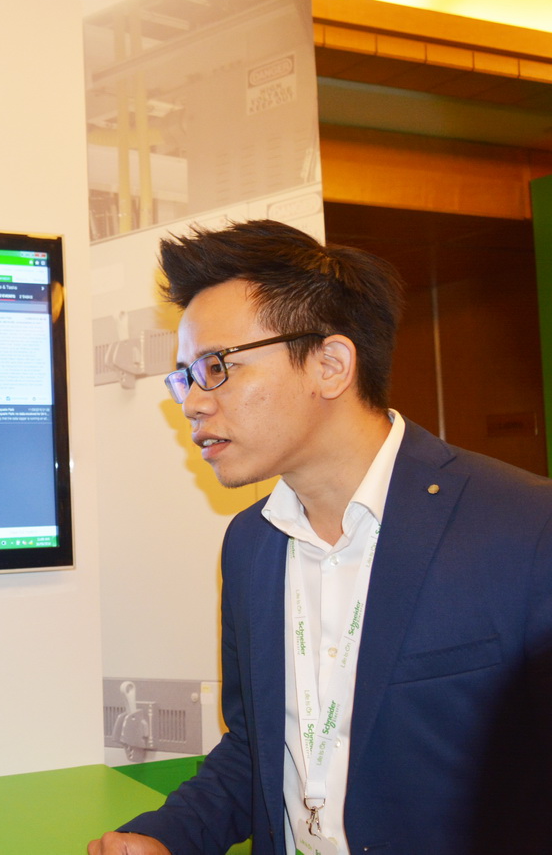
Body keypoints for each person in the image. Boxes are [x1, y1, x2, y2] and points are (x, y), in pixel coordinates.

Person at [89, 220, 552, 855]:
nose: (192, 402)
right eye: (186, 376)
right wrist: (163, 837)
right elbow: (257, 750)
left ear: (330, 365)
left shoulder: (524, 528)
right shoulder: (251, 545)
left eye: (216, 367)